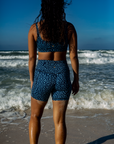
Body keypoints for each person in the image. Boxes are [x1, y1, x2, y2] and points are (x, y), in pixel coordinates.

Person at [28, 0, 79, 144]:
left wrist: (32, 80)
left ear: (44, 9)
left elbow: (32, 58)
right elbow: (73, 56)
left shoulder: (35, 29)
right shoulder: (69, 28)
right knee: (59, 121)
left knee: (35, 116)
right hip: (62, 74)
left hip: (42, 74)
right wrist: (76, 79)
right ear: (60, 8)